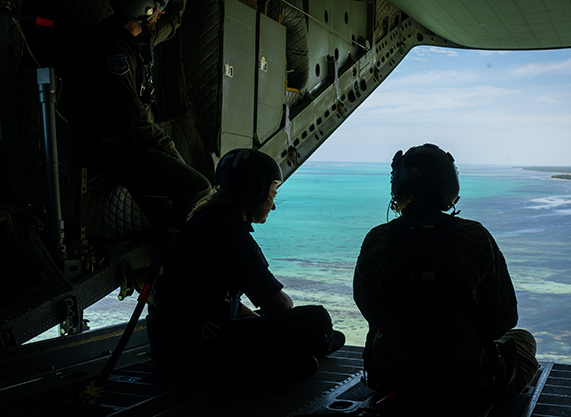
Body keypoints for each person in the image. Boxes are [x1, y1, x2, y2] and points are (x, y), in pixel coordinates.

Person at [353, 143, 539, 411]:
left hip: (391, 376)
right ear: (450, 185)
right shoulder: (474, 236)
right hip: (466, 380)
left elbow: (368, 307)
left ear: (399, 186)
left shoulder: (378, 238)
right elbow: (505, 317)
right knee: (523, 338)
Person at [146, 148, 345, 384]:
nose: (273, 206)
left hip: (172, 351)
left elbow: (220, 301)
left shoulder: (202, 223)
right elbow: (279, 305)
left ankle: (293, 356)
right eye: (272, 194)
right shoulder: (232, 235)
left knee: (312, 331)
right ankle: (276, 363)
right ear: (255, 190)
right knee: (317, 320)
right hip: (198, 355)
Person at [71, 0, 210, 232]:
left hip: (134, 147)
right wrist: (169, 148)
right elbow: (133, 124)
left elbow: (171, 22)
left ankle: (170, 254)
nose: (160, 13)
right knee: (199, 189)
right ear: (143, 9)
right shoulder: (113, 50)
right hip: (119, 151)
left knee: (165, 217)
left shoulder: (136, 38)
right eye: (157, 9)